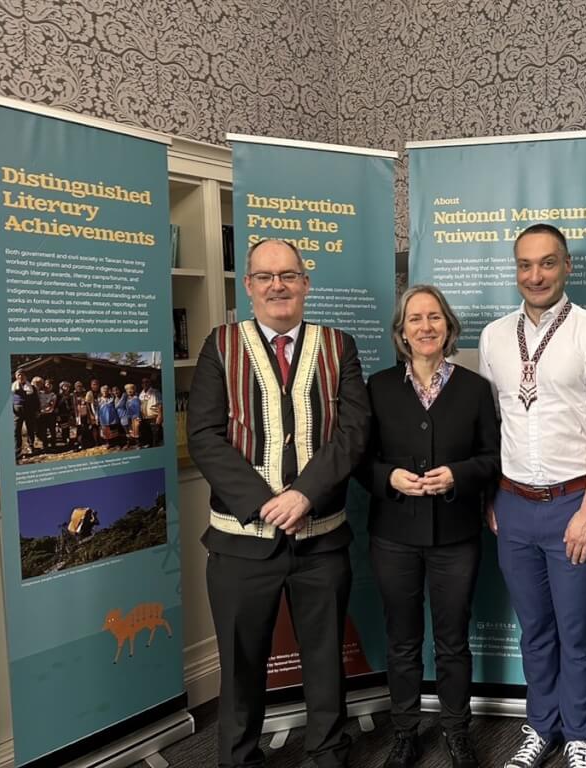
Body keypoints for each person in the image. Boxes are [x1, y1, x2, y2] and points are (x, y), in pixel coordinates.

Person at [188, 238, 370, 768]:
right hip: (240, 545)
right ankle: (239, 759)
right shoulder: (220, 345)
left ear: (305, 284)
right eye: (265, 276)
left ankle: (327, 755)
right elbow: (203, 435)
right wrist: (265, 503)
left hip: (322, 539)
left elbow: (355, 432)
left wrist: (305, 494)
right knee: (242, 667)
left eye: (288, 275)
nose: (277, 285)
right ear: (248, 286)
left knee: (324, 660)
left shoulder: (340, 346)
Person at [478, 224, 586, 768]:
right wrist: (490, 496)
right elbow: (491, 423)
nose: (535, 275)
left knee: (577, 630)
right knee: (535, 629)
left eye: (546, 263)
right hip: (513, 505)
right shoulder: (494, 336)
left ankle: (581, 736)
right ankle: (540, 726)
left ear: (567, 266)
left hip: (574, 502)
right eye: (524, 264)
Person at [360, 285, 499, 768]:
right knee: (401, 640)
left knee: (452, 640)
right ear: (401, 332)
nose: (425, 327)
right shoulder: (376, 388)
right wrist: (388, 478)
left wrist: (459, 475)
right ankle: (405, 732)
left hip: (456, 538)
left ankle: (456, 731)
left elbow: (492, 457)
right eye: (414, 319)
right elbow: (359, 460)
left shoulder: (475, 388)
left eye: (434, 318)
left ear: (448, 326)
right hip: (393, 536)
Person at [11, 369, 38, 458]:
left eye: (22, 375)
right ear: (16, 376)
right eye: (18, 375)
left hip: (29, 412)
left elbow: (36, 400)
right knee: (16, 431)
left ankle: (31, 446)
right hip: (17, 413)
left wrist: (36, 410)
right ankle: (17, 450)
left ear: (25, 376)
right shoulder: (12, 387)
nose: (20, 377)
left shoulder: (32, 387)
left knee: (30, 430)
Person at [139, 376, 163, 446]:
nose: (145, 384)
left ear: (150, 383)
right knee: (147, 435)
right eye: (143, 382)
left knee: (155, 436)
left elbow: (160, 405)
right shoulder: (141, 394)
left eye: (147, 382)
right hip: (144, 418)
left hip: (153, 417)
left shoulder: (155, 392)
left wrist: (160, 416)